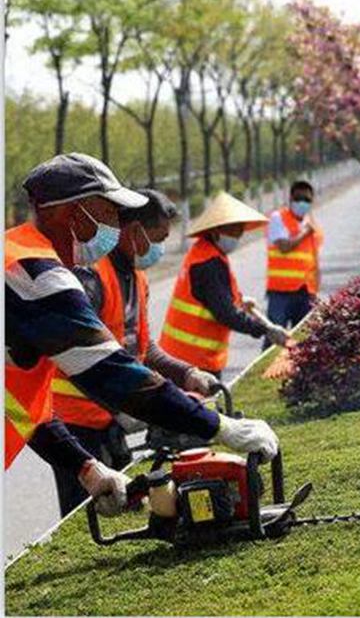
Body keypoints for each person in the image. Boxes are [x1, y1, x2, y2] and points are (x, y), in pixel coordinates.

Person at [6, 153, 279, 517]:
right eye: (107, 213)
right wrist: (220, 426)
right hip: (87, 415)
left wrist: (86, 469)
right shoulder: (34, 271)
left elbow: (19, 407)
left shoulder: (26, 259)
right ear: (75, 211)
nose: (114, 226)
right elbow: (110, 371)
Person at [48, 189, 220, 516]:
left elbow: (143, 347)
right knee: (82, 516)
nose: (160, 248)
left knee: (129, 502)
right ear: (134, 230)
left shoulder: (137, 279)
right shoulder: (91, 278)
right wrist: (131, 407)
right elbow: (76, 355)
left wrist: (187, 374)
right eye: (159, 237)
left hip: (111, 415)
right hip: (75, 421)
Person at [159, 191, 290, 378]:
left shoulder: (204, 252)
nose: (238, 235)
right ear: (216, 230)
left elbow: (211, 295)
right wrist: (265, 329)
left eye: (240, 229)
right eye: (233, 229)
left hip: (184, 357)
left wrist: (239, 299)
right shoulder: (209, 263)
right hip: (192, 361)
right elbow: (225, 313)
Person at [265, 180, 323, 345]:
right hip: (280, 292)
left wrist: (315, 292)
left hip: (304, 292)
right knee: (275, 341)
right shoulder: (278, 218)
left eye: (307, 200)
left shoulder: (311, 225)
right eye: (298, 198)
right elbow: (283, 247)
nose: (302, 203)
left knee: (303, 342)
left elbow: (315, 261)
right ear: (290, 198)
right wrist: (305, 233)